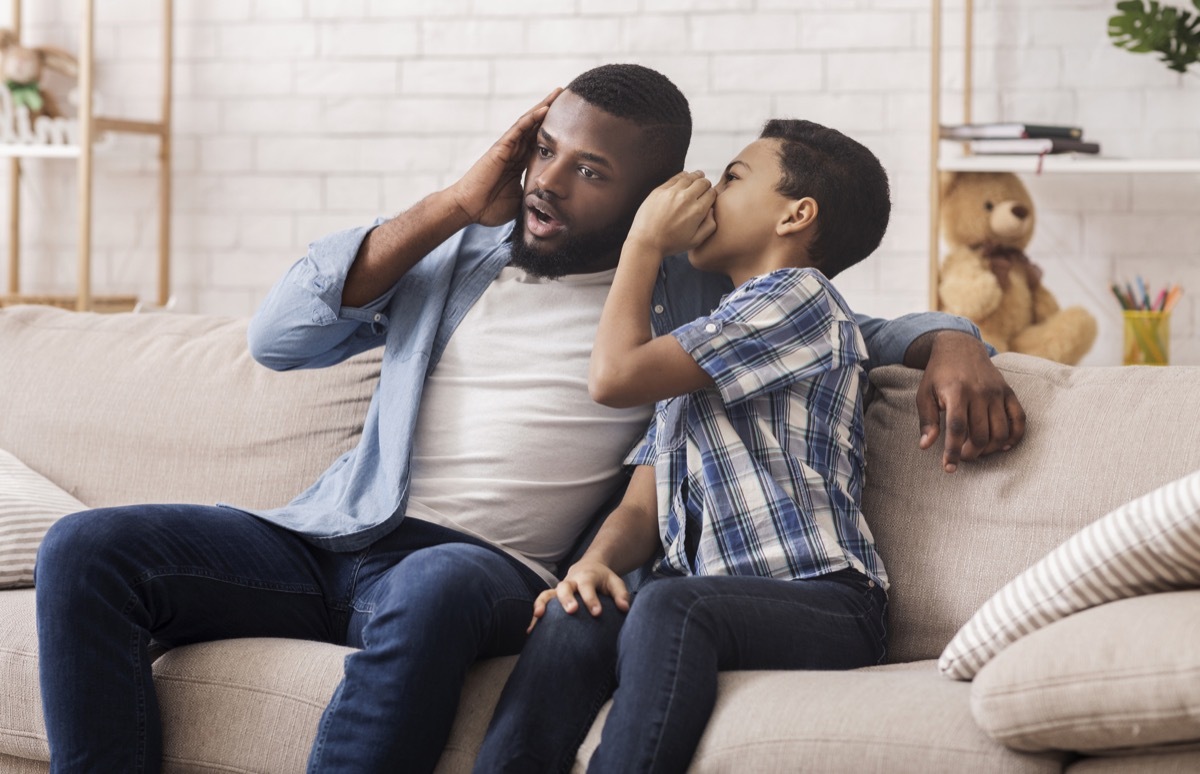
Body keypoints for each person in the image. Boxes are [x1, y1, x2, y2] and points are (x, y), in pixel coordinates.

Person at [33, 65, 1021, 774]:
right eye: (546, 152)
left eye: (590, 171)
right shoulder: (459, 257)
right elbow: (279, 336)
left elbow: (844, 321)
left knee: (431, 586)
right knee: (88, 548)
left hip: (484, 567)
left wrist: (955, 341)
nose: (547, 181)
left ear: (649, 199)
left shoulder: (686, 290)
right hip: (333, 537)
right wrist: (456, 202)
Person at [474, 118, 902, 773]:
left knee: (672, 602)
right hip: (709, 596)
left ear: (796, 214)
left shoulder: (800, 298)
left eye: (732, 177)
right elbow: (640, 512)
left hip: (828, 600)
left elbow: (612, 378)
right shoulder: (702, 342)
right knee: (573, 615)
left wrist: (643, 239)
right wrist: (592, 567)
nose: (706, 192)